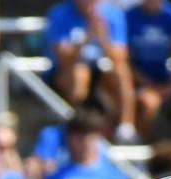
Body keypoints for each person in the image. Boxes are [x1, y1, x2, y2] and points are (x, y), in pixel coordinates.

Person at [48, 0, 137, 139]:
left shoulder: (113, 14)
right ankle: (78, 125)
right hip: (70, 73)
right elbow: (64, 59)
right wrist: (87, 37)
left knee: (121, 72)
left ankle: (125, 128)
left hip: (103, 74)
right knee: (79, 74)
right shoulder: (61, 13)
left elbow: (120, 57)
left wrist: (103, 38)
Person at [126, 0, 171, 131]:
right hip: (140, 83)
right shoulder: (129, 17)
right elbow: (126, 62)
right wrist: (151, 86)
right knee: (149, 103)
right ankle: (144, 139)